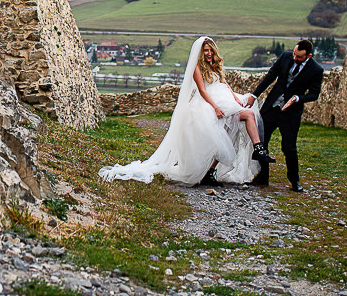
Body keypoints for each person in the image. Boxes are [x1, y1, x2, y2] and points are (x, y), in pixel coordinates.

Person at [99, 36, 274, 187]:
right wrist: (215, 107)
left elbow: (224, 83)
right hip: (208, 103)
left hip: (225, 99)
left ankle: (257, 149)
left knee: (246, 116)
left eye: (210, 50)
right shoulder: (197, 68)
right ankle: (210, 172)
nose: (208, 53)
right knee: (223, 135)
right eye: (205, 50)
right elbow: (203, 91)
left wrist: (236, 99)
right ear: (200, 52)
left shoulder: (215, 65)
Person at [246, 39, 324, 192]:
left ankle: (294, 181)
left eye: (299, 57)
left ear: (308, 56)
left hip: (291, 113)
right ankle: (263, 177)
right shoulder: (285, 56)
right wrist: (254, 95)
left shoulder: (316, 70)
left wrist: (298, 98)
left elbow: (314, 94)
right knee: (261, 141)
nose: (294, 58)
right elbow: (270, 76)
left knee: (289, 147)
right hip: (271, 107)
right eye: (294, 54)